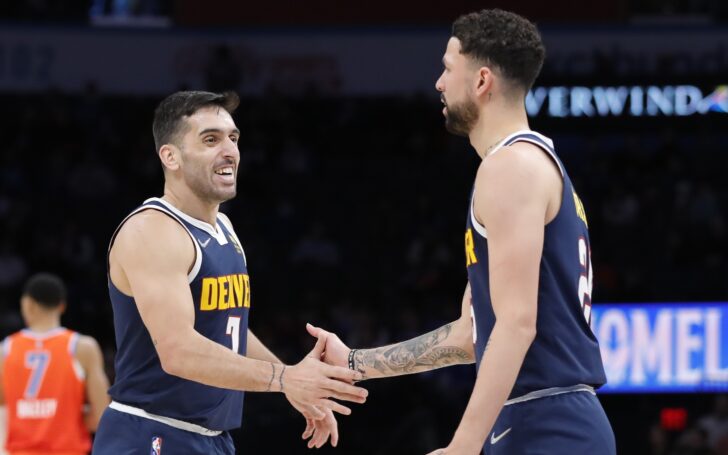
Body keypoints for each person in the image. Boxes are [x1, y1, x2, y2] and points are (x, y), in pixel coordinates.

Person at [307, 9, 615, 455]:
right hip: (535, 417)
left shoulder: (510, 168)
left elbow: (515, 325)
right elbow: (473, 337)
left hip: (549, 421)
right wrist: (355, 363)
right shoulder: (523, 166)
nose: (438, 82)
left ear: (482, 81)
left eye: (448, 68)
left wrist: (463, 445)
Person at [92, 90, 367, 454]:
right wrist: (285, 379)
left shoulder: (224, 228)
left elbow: (227, 329)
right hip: (149, 434)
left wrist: (294, 386)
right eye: (210, 139)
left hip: (212, 438)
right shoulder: (152, 231)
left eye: (233, 138)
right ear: (170, 156)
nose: (229, 150)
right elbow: (179, 352)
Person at [0, 272, 110, 455]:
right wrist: (69, 413)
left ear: (27, 304)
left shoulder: (5, 350)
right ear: (62, 306)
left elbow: (3, 407)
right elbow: (102, 418)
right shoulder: (83, 347)